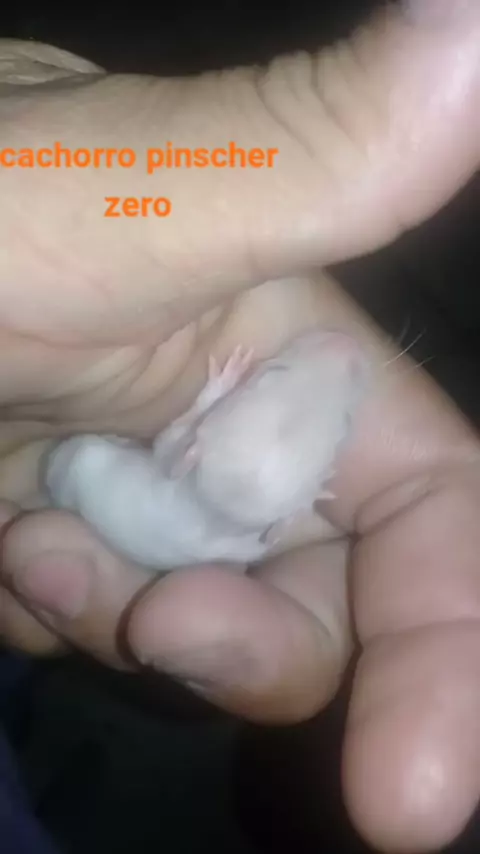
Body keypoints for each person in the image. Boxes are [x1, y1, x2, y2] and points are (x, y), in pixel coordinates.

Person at [0, 2, 479, 851]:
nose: (339, 367)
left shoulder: (226, 469)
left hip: (106, 473)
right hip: (132, 495)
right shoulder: (256, 512)